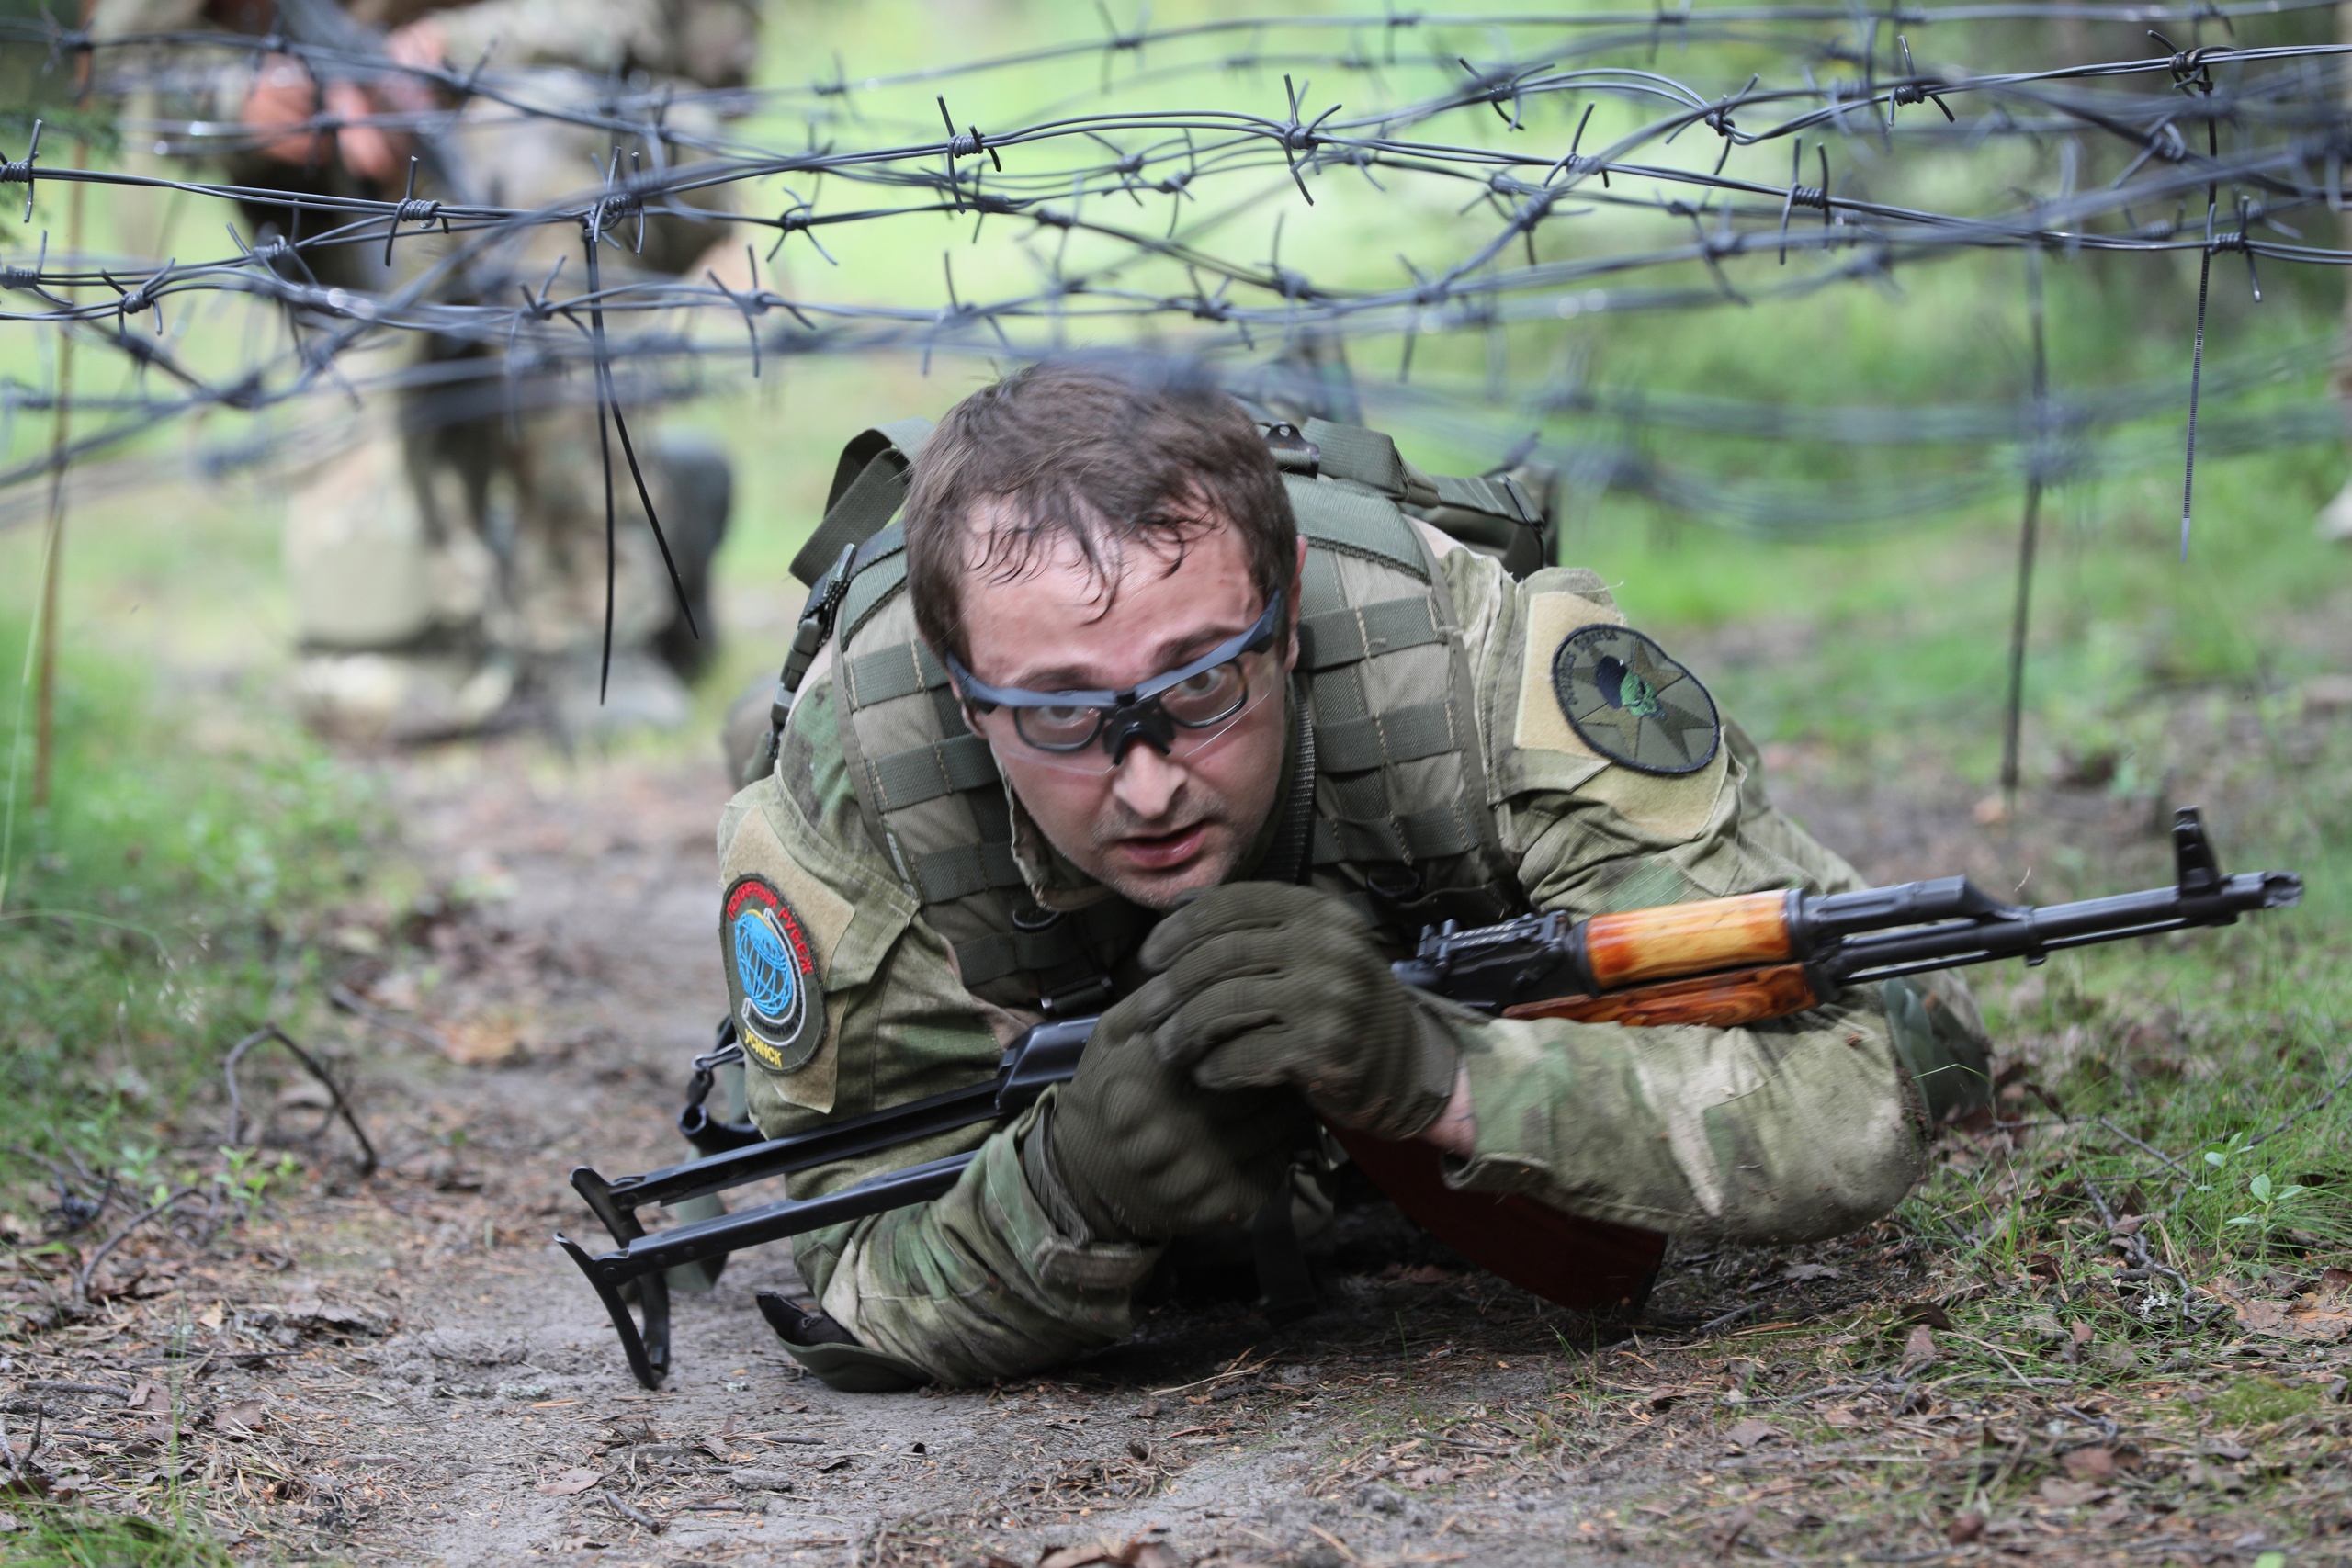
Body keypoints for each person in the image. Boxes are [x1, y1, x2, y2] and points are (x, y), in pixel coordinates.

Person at [717, 360, 1993, 1392]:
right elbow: (856, 1272)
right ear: (961, 691)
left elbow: (1885, 1058)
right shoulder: (861, 779)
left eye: (1203, 681)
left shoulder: (1472, 669)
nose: (1151, 782)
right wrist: (1072, 1186)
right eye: (1058, 714)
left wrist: (1444, 1075)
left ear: (1289, 620)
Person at [88, 0, 758, 739]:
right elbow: (125, 59)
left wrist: (445, 56)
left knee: (535, 172)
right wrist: (249, 97)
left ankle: (594, 625)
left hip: (584, 142)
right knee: (368, 679)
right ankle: (451, 599)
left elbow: (643, 21)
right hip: (351, 187)